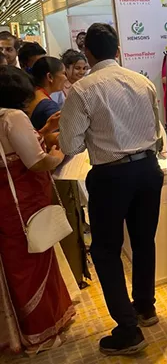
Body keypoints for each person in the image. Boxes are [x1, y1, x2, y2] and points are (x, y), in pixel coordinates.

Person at [59, 23, 163, 356]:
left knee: (106, 251)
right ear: (117, 49)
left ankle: (128, 330)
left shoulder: (82, 90)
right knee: (144, 241)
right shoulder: (142, 81)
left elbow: (70, 145)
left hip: (111, 175)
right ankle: (145, 307)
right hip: (148, 169)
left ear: (87, 52)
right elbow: (157, 131)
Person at [0, 65, 75, 355]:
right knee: (34, 262)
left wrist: (43, 131)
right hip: (25, 202)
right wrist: (60, 153)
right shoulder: (13, 116)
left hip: (8, 202)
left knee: (16, 264)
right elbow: (36, 161)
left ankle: (23, 331)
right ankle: (41, 332)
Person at [25, 57, 66, 131]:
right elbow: (56, 136)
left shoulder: (32, 94)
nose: (66, 78)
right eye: (63, 73)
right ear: (50, 77)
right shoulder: (49, 107)